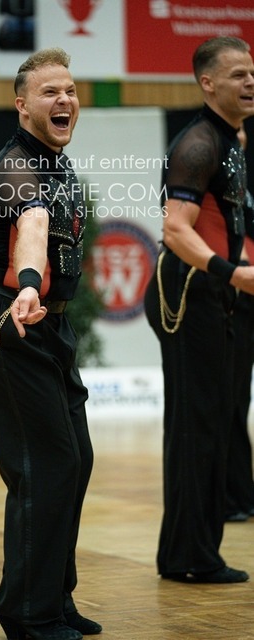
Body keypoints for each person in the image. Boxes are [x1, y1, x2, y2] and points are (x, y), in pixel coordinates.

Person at [0, 48, 102, 640]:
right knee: (45, 466)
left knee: (75, 461)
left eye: (69, 90)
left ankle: (53, 597)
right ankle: (27, 614)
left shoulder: (56, 161)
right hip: (11, 320)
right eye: (50, 92)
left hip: (49, 325)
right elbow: (33, 222)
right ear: (22, 105)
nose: (64, 99)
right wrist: (27, 283)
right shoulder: (17, 165)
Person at [144, 35, 254, 583]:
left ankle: (195, 552)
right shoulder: (198, 144)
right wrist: (232, 273)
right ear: (208, 84)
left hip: (214, 295)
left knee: (217, 422)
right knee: (196, 426)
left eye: (252, 72)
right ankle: (188, 557)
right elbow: (175, 229)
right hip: (189, 295)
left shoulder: (231, 138)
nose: (250, 82)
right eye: (238, 75)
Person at [225, 123, 254, 521]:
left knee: (239, 400)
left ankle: (241, 491)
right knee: (230, 400)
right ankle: (232, 495)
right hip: (234, 294)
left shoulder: (241, 184)